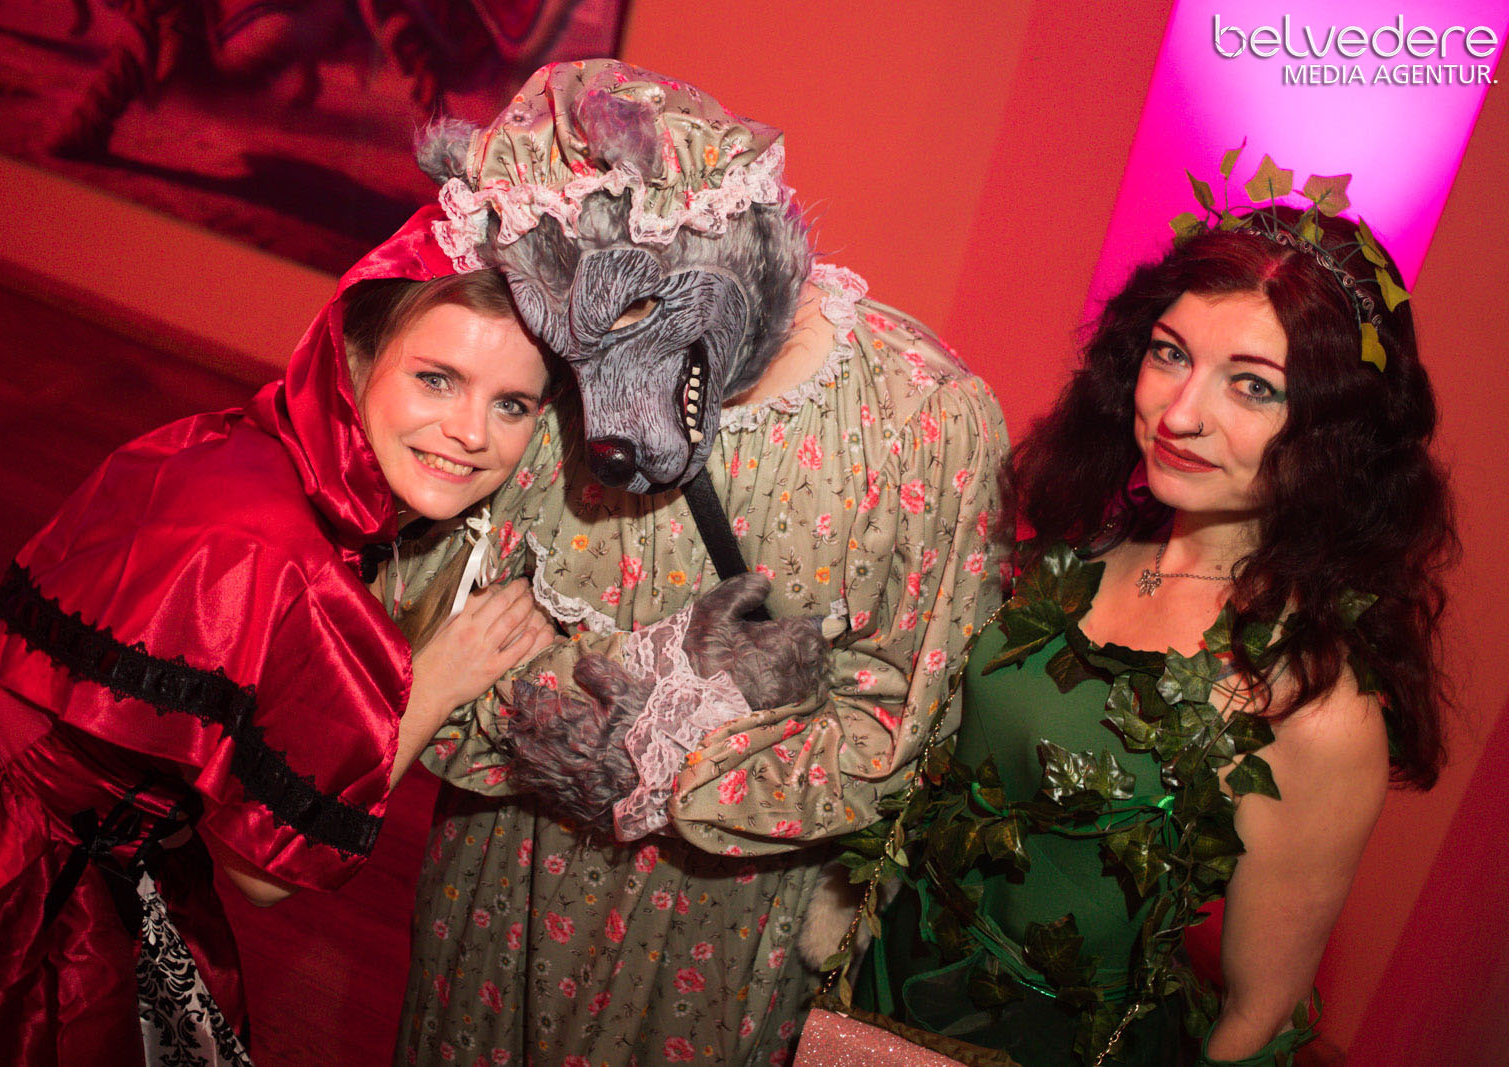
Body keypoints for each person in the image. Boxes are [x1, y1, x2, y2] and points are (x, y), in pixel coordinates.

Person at [389, 60, 1009, 1065]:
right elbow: (418, 637)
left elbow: (907, 724)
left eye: (632, 321)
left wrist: (677, 758)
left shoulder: (922, 420)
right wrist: (595, 725)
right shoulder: (521, 372)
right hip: (505, 892)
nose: (604, 416)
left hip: (725, 935)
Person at [0, 204, 560, 1065]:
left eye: (511, 403)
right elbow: (261, 873)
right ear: (354, 359)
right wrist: (440, 676)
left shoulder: (255, 441)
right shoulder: (288, 561)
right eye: (437, 379)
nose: (472, 432)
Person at [851, 188, 1455, 1065]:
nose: (1178, 414)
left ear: (1336, 431)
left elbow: (1256, 1018)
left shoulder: (1311, 706)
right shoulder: (1075, 554)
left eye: (1253, 386)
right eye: (1171, 354)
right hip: (871, 987)